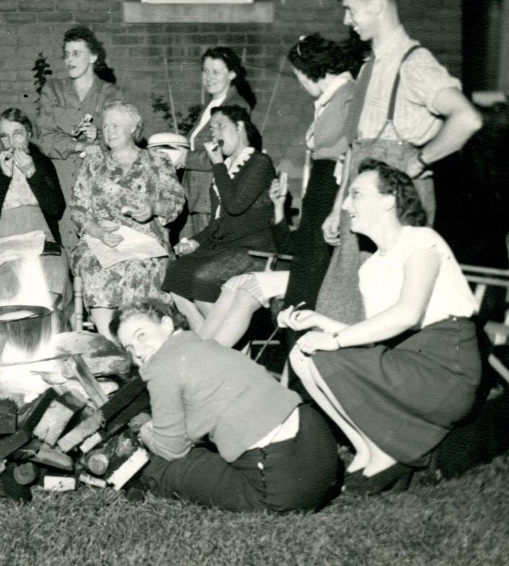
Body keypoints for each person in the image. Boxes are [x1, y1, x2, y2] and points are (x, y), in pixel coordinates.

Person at [284, 159, 482, 494]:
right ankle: (368, 448)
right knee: (302, 354)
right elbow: (379, 331)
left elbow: (407, 314)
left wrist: (334, 340)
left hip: (446, 369)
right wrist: (320, 323)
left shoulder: (421, 241)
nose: (346, 205)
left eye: (356, 194)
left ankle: (388, 454)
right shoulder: (372, 266)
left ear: (388, 200)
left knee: (323, 353)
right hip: (409, 360)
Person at [316, 0, 483, 325]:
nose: (347, 20)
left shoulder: (413, 62)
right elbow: (356, 149)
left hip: (394, 200)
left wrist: (420, 161)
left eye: (350, 9)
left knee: (378, 307)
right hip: (363, 197)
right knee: (343, 305)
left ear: (376, 5)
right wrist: (337, 206)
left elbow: (468, 118)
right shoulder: (370, 66)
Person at [194, 34, 362, 348]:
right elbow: (294, 242)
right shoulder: (329, 102)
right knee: (239, 287)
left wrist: (339, 205)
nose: (300, 83)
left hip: (325, 227)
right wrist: (281, 209)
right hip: (311, 228)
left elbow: (353, 151)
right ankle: (199, 358)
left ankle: (209, 362)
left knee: (263, 293)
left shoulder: (348, 97)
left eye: (299, 76)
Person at [113, 300, 339, 512]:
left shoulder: (160, 366)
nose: (138, 352)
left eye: (141, 336)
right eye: (130, 348)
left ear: (166, 324)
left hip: (283, 487)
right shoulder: (204, 344)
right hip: (321, 449)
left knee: (161, 468)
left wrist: (146, 431)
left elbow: (172, 449)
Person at [70, 101, 184, 339]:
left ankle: (147, 340)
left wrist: (154, 208)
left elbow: (176, 201)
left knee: (145, 267)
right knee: (96, 266)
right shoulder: (93, 163)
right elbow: (79, 208)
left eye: (115, 125)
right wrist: (98, 232)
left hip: (146, 239)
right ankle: (114, 343)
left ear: (133, 127)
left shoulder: (157, 160)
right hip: (100, 240)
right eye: (106, 126)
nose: (109, 131)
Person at [161, 105, 275, 334]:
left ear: (240, 126)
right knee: (176, 274)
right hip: (226, 247)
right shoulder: (224, 169)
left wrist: (218, 166)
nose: (215, 133)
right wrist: (195, 241)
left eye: (221, 125)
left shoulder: (259, 162)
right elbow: (217, 223)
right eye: (211, 129)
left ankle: (218, 347)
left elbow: (234, 206)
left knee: (203, 280)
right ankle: (211, 344)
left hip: (252, 249)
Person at [0, 108, 70, 323]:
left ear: (28, 133)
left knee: (50, 269)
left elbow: (56, 209)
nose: (11, 141)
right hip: (2, 239)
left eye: (17, 133)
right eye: (4, 136)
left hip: (41, 238)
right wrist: (4, 177)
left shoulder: (42, 164)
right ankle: (15, 332)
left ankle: (42, 330)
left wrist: (30, 172)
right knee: (7, 273)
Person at [35, 25, 122, 250]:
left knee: (100, 248)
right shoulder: (53, 90)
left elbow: (123, 137)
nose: (69, 60)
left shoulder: (111, 94)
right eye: (66, 54)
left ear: (93, 56)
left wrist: (100, 138)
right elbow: (45, 139)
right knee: (65, 249)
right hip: (61, 183)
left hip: (99, 183)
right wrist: (81, 144)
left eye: (76, 53)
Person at [180, 46, 257, 237]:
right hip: (197, 196)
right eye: (205, 71)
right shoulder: (213, 104)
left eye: (216, 72)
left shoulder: (236, 105)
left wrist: (184, 158)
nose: (208, 77)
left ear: (232, 74)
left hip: (212, 197)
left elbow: (223, 152)